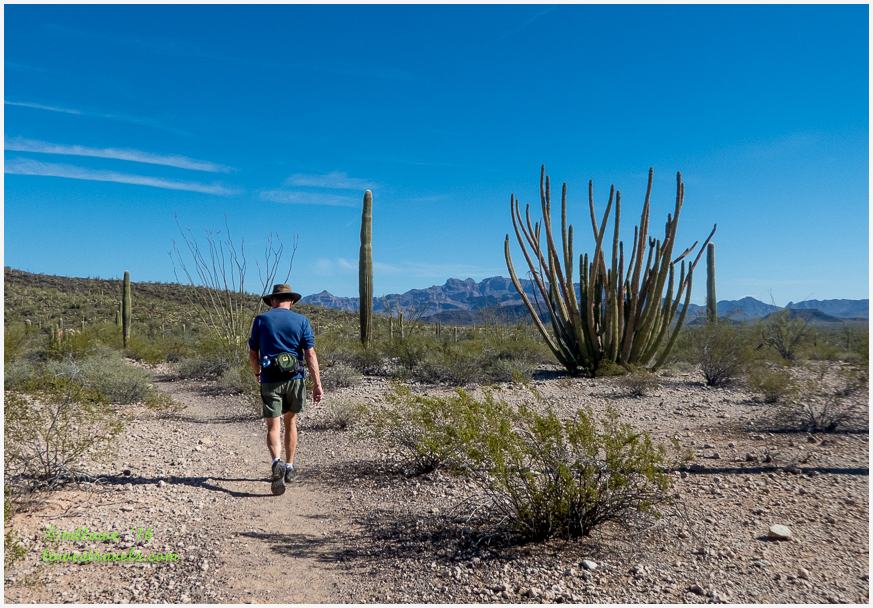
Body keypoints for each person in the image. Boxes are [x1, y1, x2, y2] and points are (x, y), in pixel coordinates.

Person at [248, 284, 323, 496]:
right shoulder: (302, 321)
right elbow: (310, 354)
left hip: (270, 380)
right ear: (291, 301)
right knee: (291, 421)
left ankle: (276, 462)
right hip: (295, 379)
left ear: (273, 300)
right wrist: (317, 384)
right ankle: (289, 467)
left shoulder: (261, 320)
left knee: (273, 425)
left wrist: (257, 373)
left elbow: (253, 353)